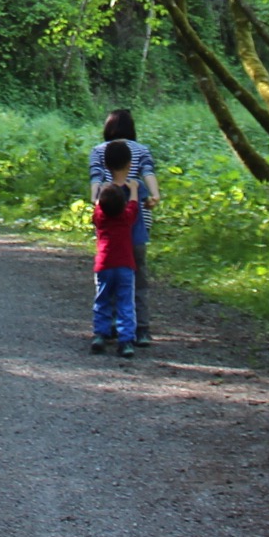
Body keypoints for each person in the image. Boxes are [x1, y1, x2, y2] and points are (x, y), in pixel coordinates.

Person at [87, 108, 159, 339]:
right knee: (138, 276)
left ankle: (111, 325)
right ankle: (142, 328)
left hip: (108, 219)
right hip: (137, 220)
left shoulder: (99, 151)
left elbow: (96, 177)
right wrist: (155, 195)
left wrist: (95, 199)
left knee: (110, 273)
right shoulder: (141, 150)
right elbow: (148, 172)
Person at [89, 139, 140, 356]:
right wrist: (134, 189)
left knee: (102, 299)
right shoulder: (126, 218)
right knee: (125, 302)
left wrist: (101, 193)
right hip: (125, 265)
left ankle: (100, 334)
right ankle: (126, 340)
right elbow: (134, 206)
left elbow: (98, 208)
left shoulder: (100, 217)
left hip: (104, 264)